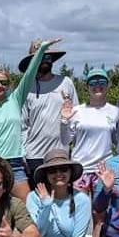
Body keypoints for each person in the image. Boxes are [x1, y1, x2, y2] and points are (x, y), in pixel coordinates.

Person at [0, 39, 61, 201]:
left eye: (4, 83)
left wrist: (41, 49)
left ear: (8, 85)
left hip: (15, 164)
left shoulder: (15, 100)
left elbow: (29, 74)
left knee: (28, 207)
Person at [59, 68, 119, 237]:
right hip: (79, 169)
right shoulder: (76, 110)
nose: (97, 86)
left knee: (99, 215)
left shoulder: (114, 111)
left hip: (103, 169)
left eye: (102, 81)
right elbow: (66, 140)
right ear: (87, 87)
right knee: (77, 215)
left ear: (108, 85)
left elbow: (117, 143)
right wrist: (65, 119)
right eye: (93, 82)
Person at [19, 39, 78, 186]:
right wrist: (23, 153)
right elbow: (22, 125)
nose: (45, 60)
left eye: (47, 57)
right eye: (40, 57)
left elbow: (76, 117)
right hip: (34, 155)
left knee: (61, 199)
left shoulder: (66, 82)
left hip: (61, 154)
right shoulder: (26, 87)